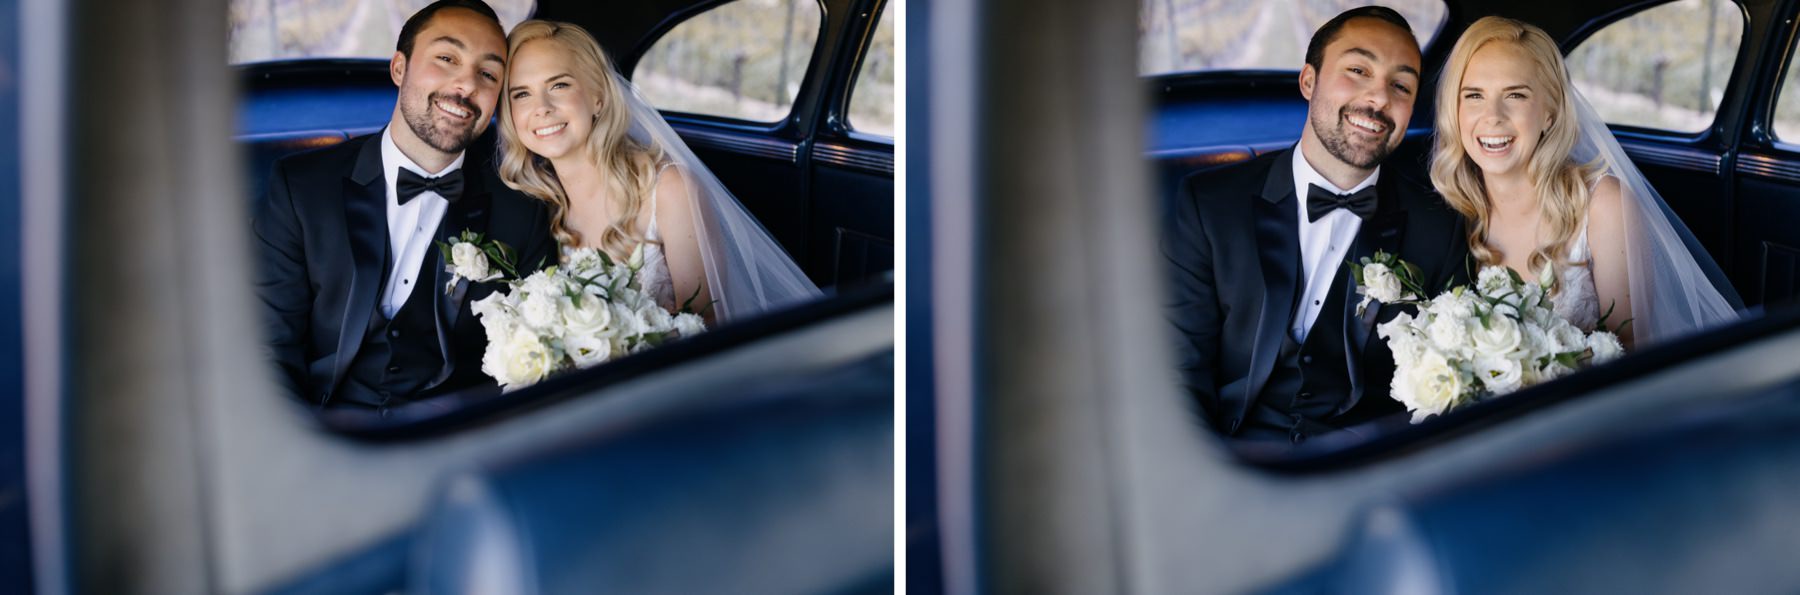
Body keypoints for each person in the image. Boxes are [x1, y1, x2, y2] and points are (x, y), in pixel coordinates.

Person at [1163, 7, 1470, 444]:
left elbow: (1446, 396)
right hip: (1231, 460)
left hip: (1366, 469)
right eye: (1358, 70)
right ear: (1309, 81)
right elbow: (1177, 371)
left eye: (1400, 85)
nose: (1379, 98)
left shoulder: (1440, 227)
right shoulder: (1209, 206)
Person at [253, 0, 557, 408]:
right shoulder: (301, 188)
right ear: (400, 68)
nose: (466, 85)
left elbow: (531, 368)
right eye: (446, 58)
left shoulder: (523, 210)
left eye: (487, 74)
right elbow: (268, 350)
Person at [1430, 16, 1741, 349]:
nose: (1493, 116)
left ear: (1549, 112)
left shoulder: (1604, 205)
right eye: (1474, 95)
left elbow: (1630, 350)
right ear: (1455, 109)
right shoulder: (1449, 208)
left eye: (1515, 95)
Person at [496, 20, 819, 324]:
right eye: (521, 93)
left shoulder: (669, 188)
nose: (541, 107)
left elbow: (705, 324)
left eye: (559, 85)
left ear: (598, 97)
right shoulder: (532, 201)